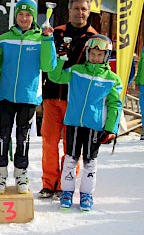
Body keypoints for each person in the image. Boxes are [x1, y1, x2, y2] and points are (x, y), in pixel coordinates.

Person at [0, 0, 57, 194]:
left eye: (28, 15)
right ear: (15, 16)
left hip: (28, 97)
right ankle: (0, 174)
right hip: (6, 95)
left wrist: (47, 40)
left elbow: (48, 66)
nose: (24, 18)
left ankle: (21, 174)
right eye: (21, 14)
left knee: (23, 137)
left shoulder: (41, 38)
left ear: (33, 17)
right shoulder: (4, 39)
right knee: (3, 136)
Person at [48, 34, 122, 211]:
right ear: (87, 53)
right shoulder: (76, 70)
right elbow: (55, 77)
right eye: (92, 54)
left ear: (106, 56)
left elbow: (115, 104)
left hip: (94, 126)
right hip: (73, 122)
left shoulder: (112, 79)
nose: (95, 58)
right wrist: (61, 59)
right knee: (70, 159)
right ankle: (66, 192)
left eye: (100, 55)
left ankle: (87, 194)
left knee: (90, 161)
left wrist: (111, 127)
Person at [40, 0, 98, 200]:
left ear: (89, 12)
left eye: (84, 9)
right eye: (76, 9)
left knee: (71, 146)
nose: (80, 13)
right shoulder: (54, 33)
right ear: (69, 10)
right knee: (49, 141)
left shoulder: (94, 38)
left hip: (75, 101)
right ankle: (49, 183)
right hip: (51, 96)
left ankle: (66, 184)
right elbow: (45, 64)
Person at [135, 49, 144, 140]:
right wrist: (137, 81)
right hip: (142, 84)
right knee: (143, 108)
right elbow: (140, 67)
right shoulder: (143, 51)